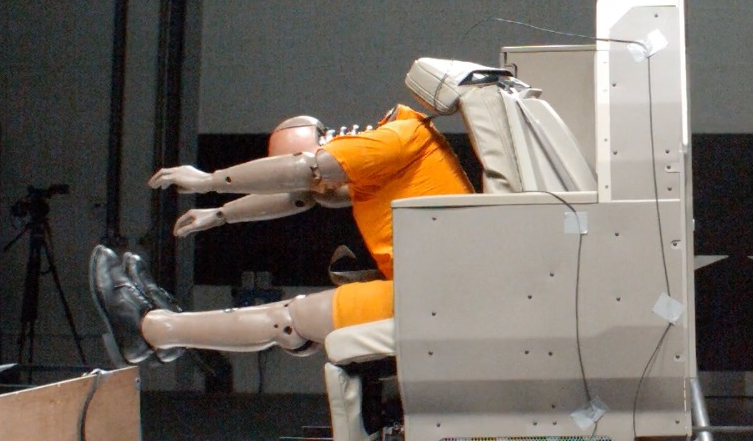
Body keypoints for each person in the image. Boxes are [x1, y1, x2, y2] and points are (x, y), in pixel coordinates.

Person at [91, 104, 474, 365]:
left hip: (433, 298)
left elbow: (304, 173)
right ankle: (167, 327)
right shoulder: (384, 163)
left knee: (289, 321)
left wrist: (208, 181)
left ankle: (150, 329)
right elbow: (302, 196)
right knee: (294, 320)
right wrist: (222, 214)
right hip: (434, 292)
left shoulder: (399, 137)